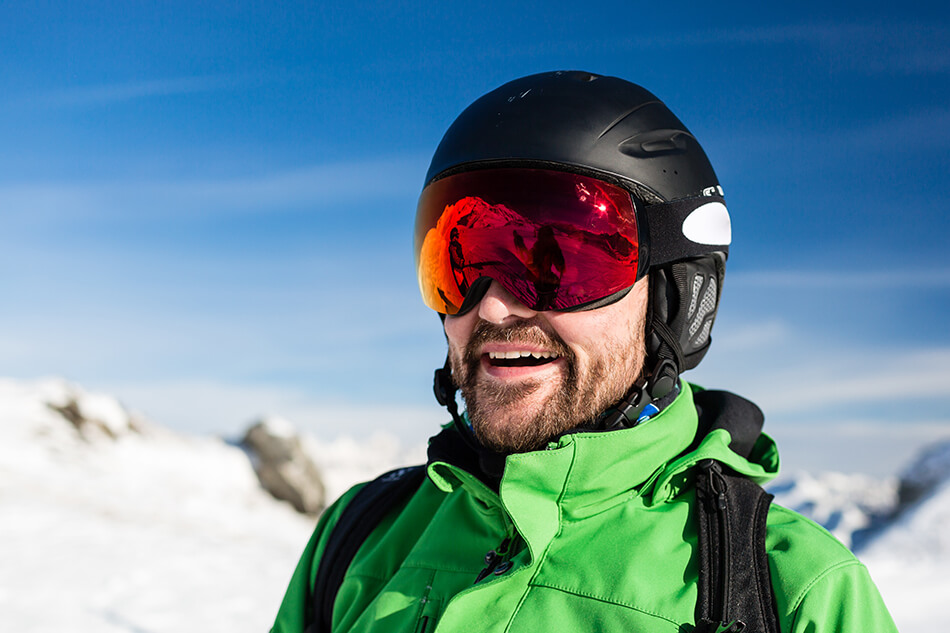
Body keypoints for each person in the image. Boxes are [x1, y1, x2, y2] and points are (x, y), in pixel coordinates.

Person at [271, 71, 896, 633]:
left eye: (560, 266)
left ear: (674, 297)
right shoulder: (359, 535)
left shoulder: (792, 598)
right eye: (459, 267)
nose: (490, 308)